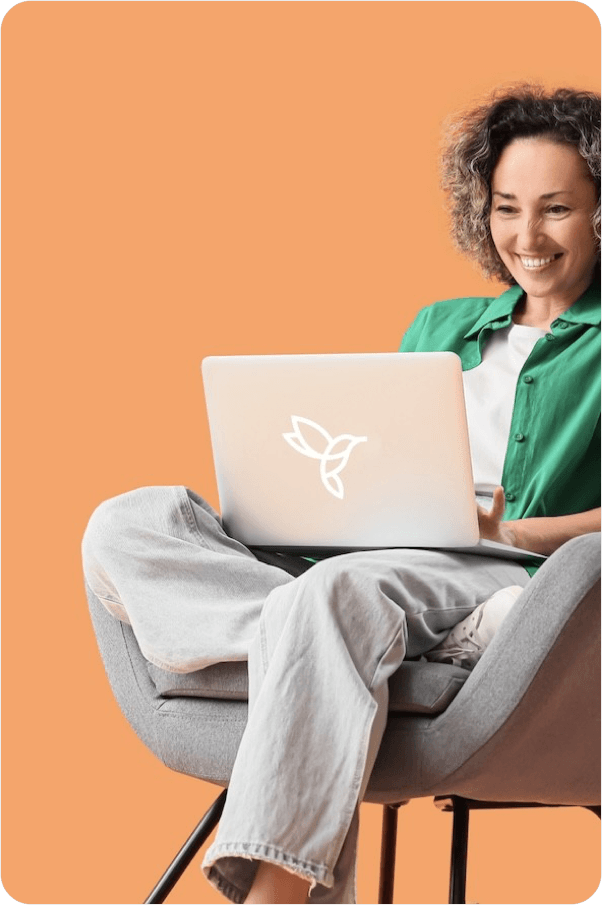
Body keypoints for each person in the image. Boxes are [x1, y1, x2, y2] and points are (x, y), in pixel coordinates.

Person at [81, 84, 600, 904]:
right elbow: (379, 453)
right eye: (506, 207)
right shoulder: (440, 324)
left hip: (496, 567)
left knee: (337, 593)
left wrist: (512, 528)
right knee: (129, 525)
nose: (526, 237)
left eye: (557, 209)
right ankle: (361, 635)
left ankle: (278, 892)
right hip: (362, 558)